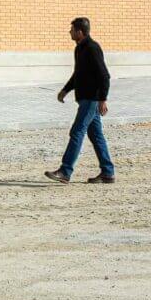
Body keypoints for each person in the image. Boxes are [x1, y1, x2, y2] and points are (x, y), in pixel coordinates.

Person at [46, 16, 115, 184]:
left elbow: (104, 76)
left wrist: (102, 99)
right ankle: (107, 172)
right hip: (84, 99)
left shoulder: (92, 48)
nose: (69, 32)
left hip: (92, 100)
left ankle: (65, 171)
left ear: (79, 32)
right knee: (96, 135)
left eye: (72, 30)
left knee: (77, 132)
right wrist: (66, 89)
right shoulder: (79, 49)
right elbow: (78, 74)